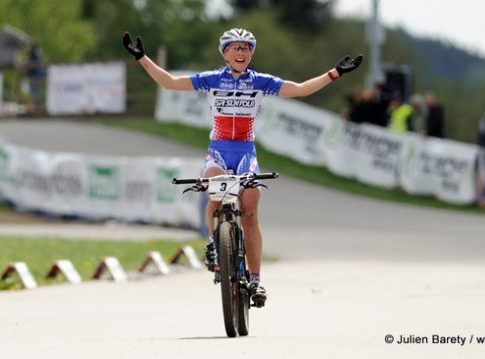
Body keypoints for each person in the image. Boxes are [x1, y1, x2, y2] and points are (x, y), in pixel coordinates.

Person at [123, 28, 362, 307]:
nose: (241, 53)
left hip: (246, 154)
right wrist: (142, 58)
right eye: (235, 48)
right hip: (219, 152)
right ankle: (215, 244)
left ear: (251, 54)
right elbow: (171, 83)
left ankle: (256, 280)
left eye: (246, 48)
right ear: (225, 53)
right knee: (214, 190)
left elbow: (299, 89)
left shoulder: (260, 81)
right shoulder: (212, 79)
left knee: (249, 212)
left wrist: (335, 73)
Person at [25, 42, 46, 114]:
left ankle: (38, 109)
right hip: (38, 75)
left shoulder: (34, 53)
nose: (27, 48)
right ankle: (38, 108)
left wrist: (27, 64)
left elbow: (33, 63)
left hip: (35, 75)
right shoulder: (38, 52)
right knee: (36, 92)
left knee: (35, 92)